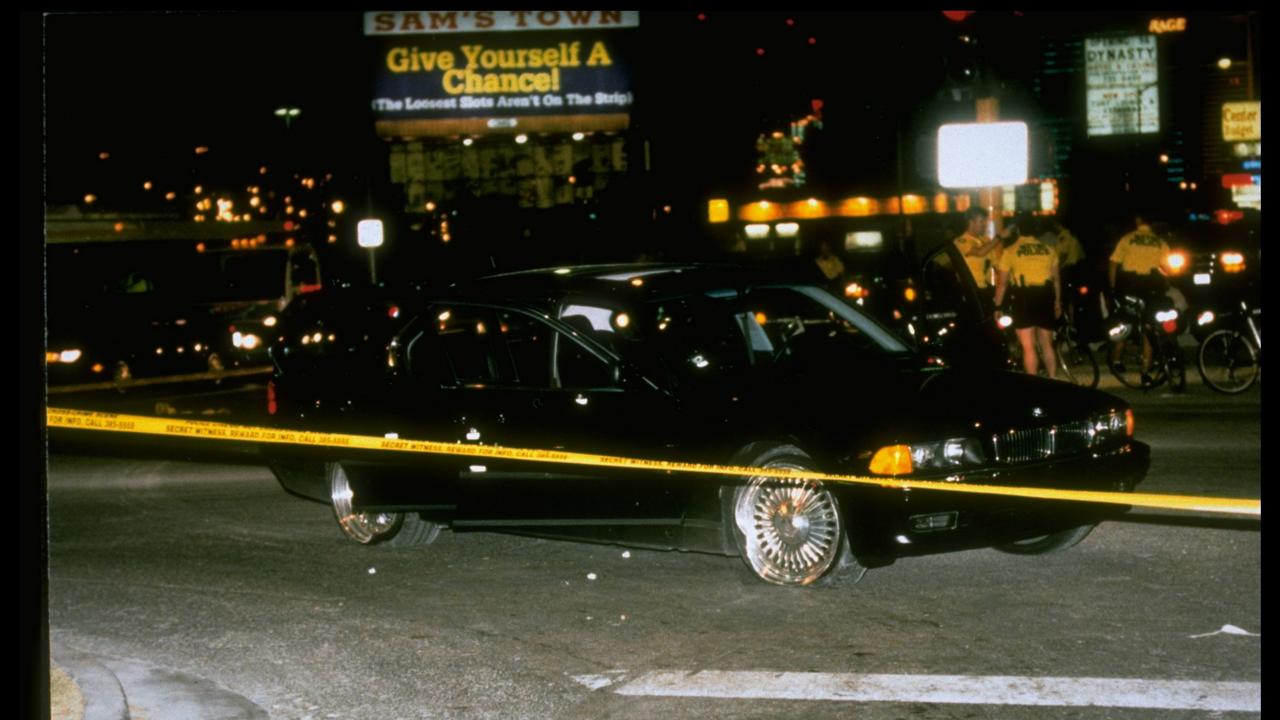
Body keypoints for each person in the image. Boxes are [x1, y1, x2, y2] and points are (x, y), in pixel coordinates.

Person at [993, 213, 1061, 379]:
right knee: (1047, 343)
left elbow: (1002, 284)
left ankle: (1034, 383)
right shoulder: (1049, 250)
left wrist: (998, 306)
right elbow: (1056, 280)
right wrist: (1058, 302)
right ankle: (1053, 379)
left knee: (1028, 346)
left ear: (1018, 230)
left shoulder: (1010, 251)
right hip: (1045, 295)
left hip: (1023, 296)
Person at [1108, 214, 1171, 383]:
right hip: (1151, 286)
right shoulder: (1160, 242)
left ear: (1137, 221)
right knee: (1149, 327)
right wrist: (1164, 285)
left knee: (1125, 322)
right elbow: (1166, 269)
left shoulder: (1127, 239)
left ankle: (1116, 360)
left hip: (1130, 285)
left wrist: (1113, 287)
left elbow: (1114, 262)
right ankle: (1145, 370)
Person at [953, 207, 1003, 309]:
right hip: (969, 291)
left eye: (986, 221)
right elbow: (980, 252)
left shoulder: (986, 241)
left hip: (986, 290)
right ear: (971, 222)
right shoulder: (961, 241)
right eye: (982, 221)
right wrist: (999, 238)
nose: (985, 224)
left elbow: (998, 267)